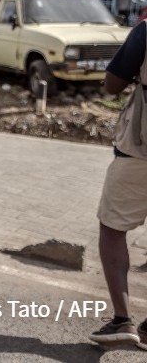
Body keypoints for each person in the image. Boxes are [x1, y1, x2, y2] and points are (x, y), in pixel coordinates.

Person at [89, 19, 147, 348]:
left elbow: (112, 85)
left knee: (112, 228)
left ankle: (123, 320)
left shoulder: (145, 31)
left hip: (139, 148)